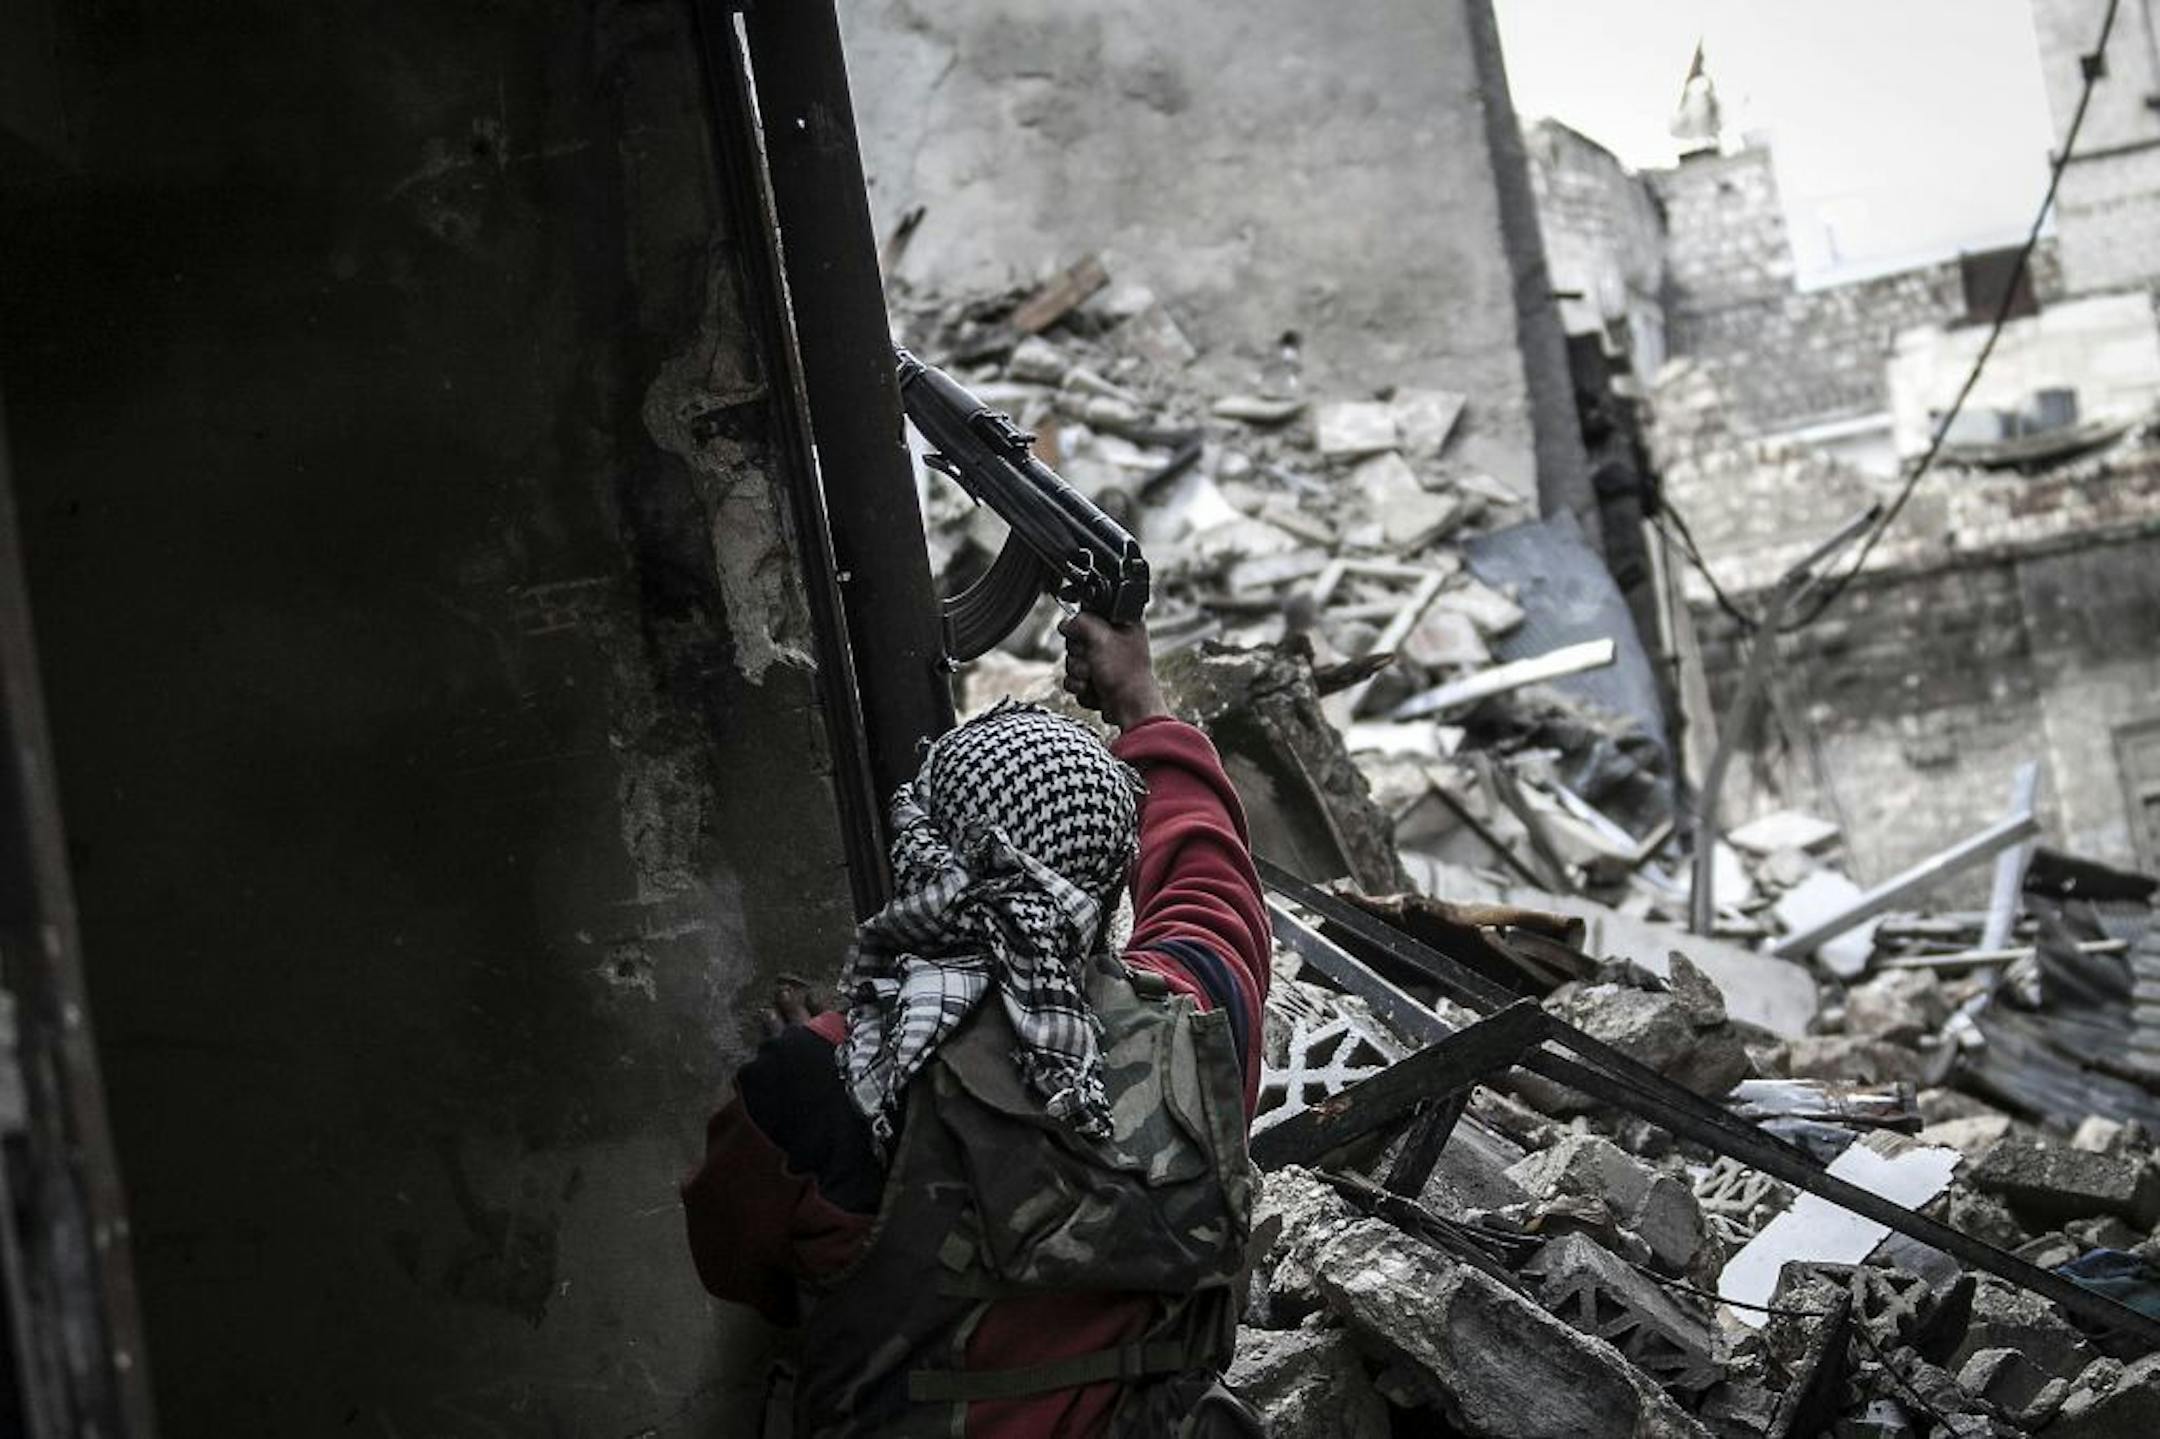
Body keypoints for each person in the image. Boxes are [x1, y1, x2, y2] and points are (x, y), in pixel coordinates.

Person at [683, 614, 1273, 1437]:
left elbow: (735, 1266)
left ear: (924, 851)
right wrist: (1141, 700)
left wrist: (826, 1056)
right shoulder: (1200, 1023)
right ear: (1107, 889)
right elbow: (1209, 880)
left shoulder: (814, 1079)